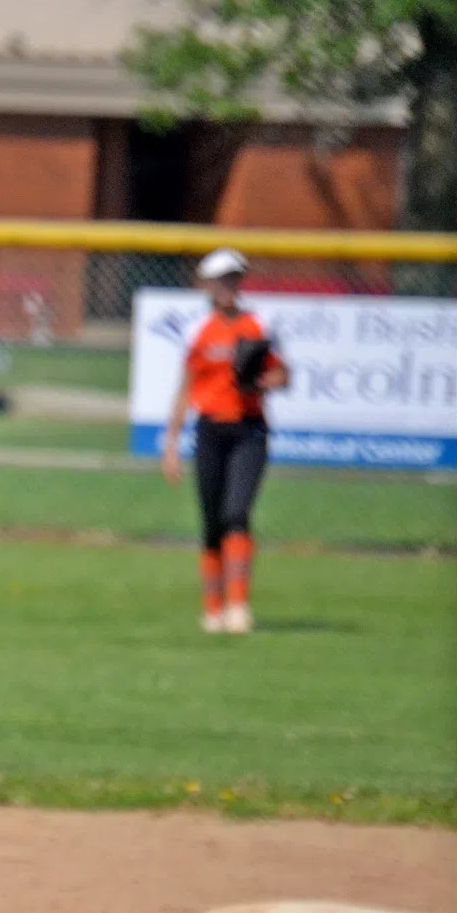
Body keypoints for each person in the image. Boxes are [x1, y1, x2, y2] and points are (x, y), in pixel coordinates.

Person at [160, 247, 287, 634]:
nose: (229, 286)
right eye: (222, 280)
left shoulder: (257, 326)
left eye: (234, 278)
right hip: (211, 430)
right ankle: (212, 609)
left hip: (249, 429)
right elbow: (185, 388)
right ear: (208, 285)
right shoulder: (198, 331)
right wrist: (171, 443)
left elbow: (282, 374)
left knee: (236, 512)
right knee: (212, 522)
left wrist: (270, 380)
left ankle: (238, 606)